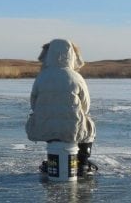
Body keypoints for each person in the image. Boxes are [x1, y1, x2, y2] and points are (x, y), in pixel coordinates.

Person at [25, 39, 96, 176]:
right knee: (90, 128)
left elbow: (33, 103)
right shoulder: (76, 77)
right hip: (72, 129)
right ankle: (83, 163)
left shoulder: (41, 77)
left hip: (44, 128)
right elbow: (86, 106)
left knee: (53, 129)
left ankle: (53, 161)